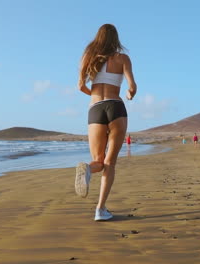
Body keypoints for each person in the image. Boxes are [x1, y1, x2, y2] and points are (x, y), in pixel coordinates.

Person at [75, 24, 137, 221]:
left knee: (98, 161)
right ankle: (100, 210)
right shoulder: (123, 58)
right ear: (115, 38)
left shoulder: (89, 57)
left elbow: (80, 86)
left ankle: (88, 168)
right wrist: (129, 94)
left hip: (95, 109)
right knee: (110, 163)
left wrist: (93, 95)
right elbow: (132, 87)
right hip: (116, 107)